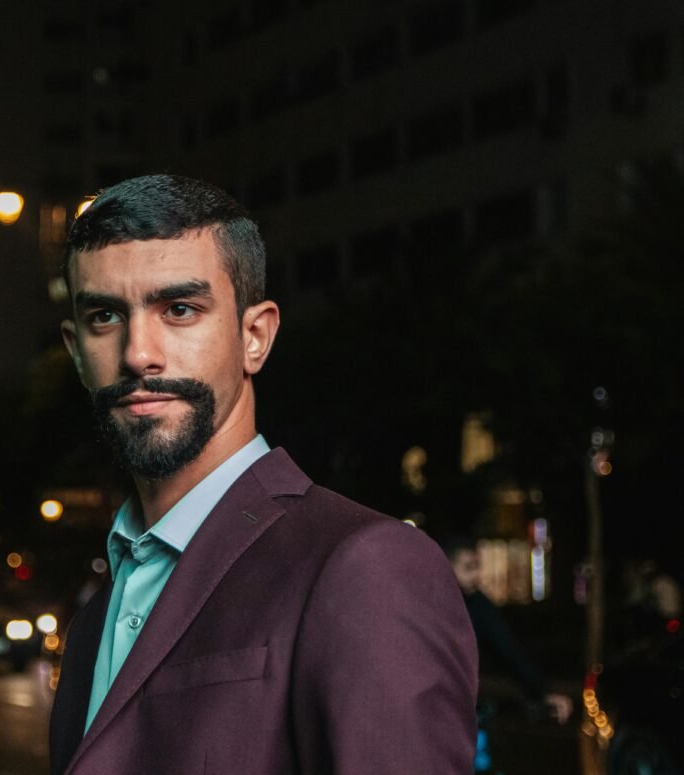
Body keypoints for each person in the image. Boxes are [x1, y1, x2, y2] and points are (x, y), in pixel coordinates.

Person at [49, 174, 478, 774]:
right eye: (104, 316)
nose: (138, 353)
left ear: (255, 337)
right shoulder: (96, 619)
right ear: (75, 349)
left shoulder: (364, 565)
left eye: (179, 309)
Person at [444, 536, 573, 725]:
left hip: (460, 706)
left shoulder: (479, 606)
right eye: (468, 568)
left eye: (477, 566)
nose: (476, 575)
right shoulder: (430, 604)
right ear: (447, 567)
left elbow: (509, 650)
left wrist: (543, 691)